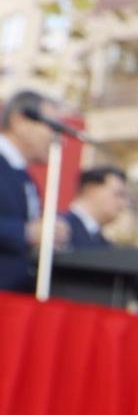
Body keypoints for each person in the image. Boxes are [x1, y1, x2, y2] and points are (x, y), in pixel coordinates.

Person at [0, 88, 67, 293]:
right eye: (51, 127)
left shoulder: (24, 177)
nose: (58, 139)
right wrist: (26, 232)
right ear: (20, 121)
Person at [61, 164, 130, 247]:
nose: (123, 204)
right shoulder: (57, 230)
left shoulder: (103, 242)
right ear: (91, 190)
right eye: (118, 194)